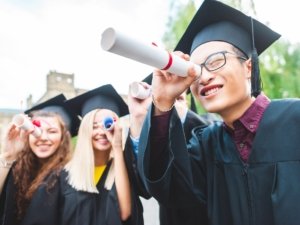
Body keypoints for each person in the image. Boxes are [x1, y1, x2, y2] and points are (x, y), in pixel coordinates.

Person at [135, 1, 300, 225]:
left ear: (249, 67)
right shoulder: (206, 145)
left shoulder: (295, 119)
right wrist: (163, 101)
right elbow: (167, 188)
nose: (204, 77)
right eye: (195, 71)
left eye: (215, 61)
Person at [128, 75, 218, 225]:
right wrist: (138, 119)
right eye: (169, 100)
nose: (173, 104)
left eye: (179, 99)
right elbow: (144, 188)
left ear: (188, 102)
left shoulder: (209, 124)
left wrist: (181, 114)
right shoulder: (154, 137)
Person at [62, 84, 144, 225]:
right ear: (85, 129)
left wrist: (117, 147)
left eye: (107, 124)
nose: (102, 132)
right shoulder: (64, 174)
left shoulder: (126, 169)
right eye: (94, 126)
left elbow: (124, 214)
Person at [0, 94, 80, 225]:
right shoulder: (19, 170)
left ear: (63, 138)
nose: (43, 137)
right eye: (36, 130)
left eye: (52, 131)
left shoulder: (69, 176)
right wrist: (9, 154)